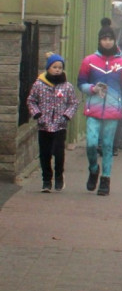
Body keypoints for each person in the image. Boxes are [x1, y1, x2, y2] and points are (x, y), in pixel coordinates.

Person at [77, 19, 122, 196]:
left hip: (113, 111)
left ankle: (105, 179)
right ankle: (94, 169)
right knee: (91, 144)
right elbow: (81, 83)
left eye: (110, 38)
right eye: (104, 38)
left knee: (108, 146)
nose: (107, 41)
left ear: (115, 40)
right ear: (99, 40)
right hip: (93, 109)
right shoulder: (89, 61)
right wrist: (92, 89)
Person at [27, 53, 79, 192]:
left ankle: (59, 176)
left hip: (60, 126)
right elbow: (31, 100)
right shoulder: (39, 85)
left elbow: (73, 103)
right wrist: (37, 114)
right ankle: (46, 180)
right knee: (45, 153)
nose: (57, 69)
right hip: (44, 126)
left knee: (59, 152)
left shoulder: (67, 86)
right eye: (54, 67)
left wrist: (66, 116)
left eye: (60, 67)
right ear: (48, 68)